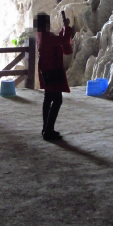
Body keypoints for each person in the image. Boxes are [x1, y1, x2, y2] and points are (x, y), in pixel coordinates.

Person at [36, 11, 74, 141]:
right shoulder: (46, 37)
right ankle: (48, 130)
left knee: (48, 99)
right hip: (53, 71)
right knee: (57, 100)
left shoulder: (41, 35)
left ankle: (45, 128)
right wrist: (67, 27)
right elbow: (62, 40)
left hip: (46, 71)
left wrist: (64, 29)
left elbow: (57, 41)